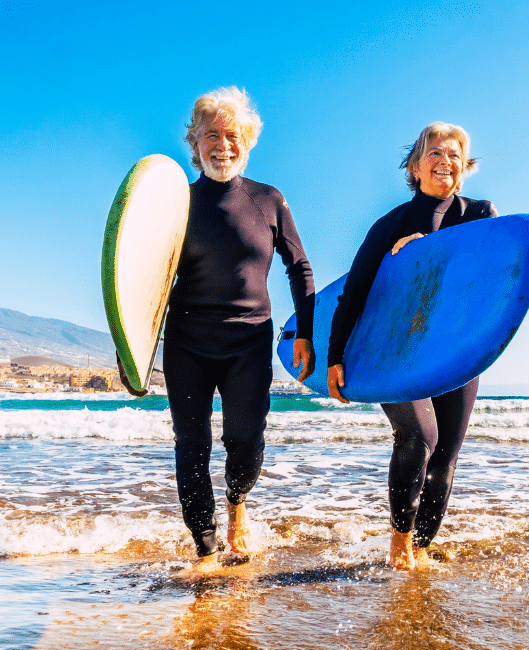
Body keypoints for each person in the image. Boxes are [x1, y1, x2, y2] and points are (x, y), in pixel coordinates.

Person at [327, 122, 497, 571]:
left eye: (455, 155)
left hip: (454, 350)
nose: (446, 161)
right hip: (396, 352)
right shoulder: (391, 225)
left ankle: (421, 549)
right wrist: (335, 357)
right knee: (420, 436)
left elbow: (490, 281)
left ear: (465, 167)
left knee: (446, 456)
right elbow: (358, 291)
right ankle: (400, 542)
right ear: (415, 166)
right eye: (435, 153)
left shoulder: (480, 214)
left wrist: (434, 254)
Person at [164, 86, 315, 578]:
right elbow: (146, 277)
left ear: (247, 141)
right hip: (187, 339)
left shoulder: (268, 200)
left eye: (232, 135)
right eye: (212, 135)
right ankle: (206, 551)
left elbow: (299, 268)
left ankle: (237, 502)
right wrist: (133, 350)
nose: (222, 145)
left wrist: (306, 333)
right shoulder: (178, 205)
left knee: (246, 441)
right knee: (192, 444)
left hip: (249, 341)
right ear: (196, 142)